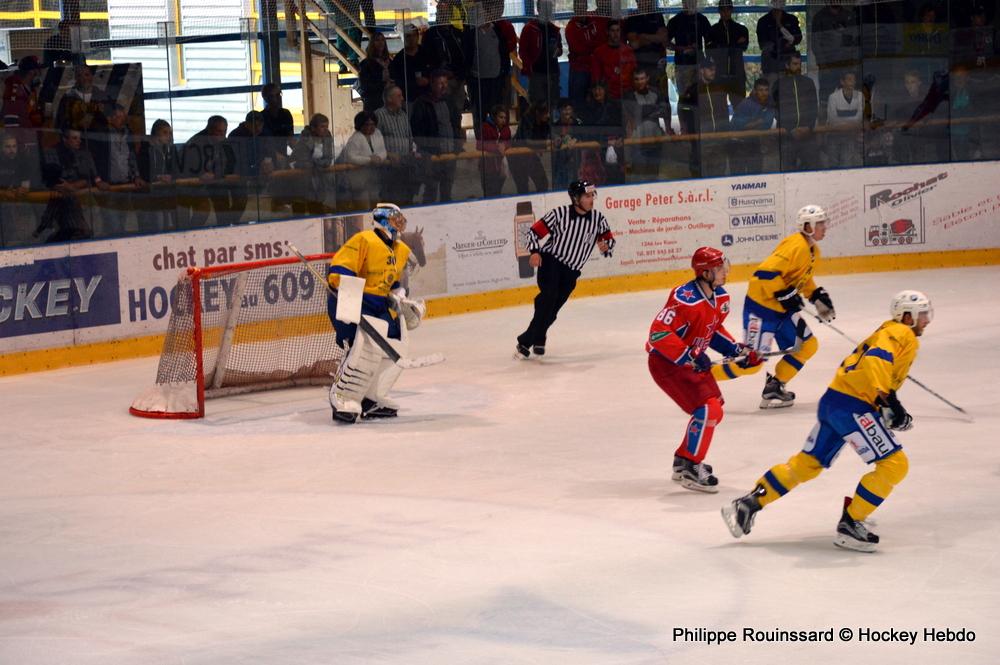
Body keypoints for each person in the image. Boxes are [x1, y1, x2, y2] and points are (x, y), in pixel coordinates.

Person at [723, 290, 933, 552]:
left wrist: (886, 405)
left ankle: (749, 503)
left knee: (806, 464)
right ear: (906, 315)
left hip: (835, 401)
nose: (926, 320)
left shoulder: (893, 330)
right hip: (853, 407)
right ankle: (851, 522)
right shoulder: (902, 333)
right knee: (894, 465)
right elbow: (876, 360)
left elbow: (875, 368)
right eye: (922, 314)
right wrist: (889, 400)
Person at [647, 247, 763, 492]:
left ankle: (683, 460)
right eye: (719, 268)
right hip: (667, 363)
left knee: (714, 411)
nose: (725, 272)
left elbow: (713, 330)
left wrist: (737, 350)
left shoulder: (720, 298)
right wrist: (688, 354)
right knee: (707, 410)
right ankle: (690, 464)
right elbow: (658, 334)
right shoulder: (684, 298)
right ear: (705, 273)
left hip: (691, 362)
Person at [326, 203, 424, 423]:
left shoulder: (399, 249)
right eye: (394, 218)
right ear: (382, 219)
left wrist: (399, 294)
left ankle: (372, 398)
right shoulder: (364, 240)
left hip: (380, 305)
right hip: (355, 301)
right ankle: (342, 396)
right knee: (362, 350)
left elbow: (394, 282)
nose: (399, 223)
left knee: (394, 347)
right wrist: (348, 293)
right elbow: (339, 273)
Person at [735, 204, 835, 409]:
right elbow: (764, 274)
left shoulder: (813, 250)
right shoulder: (795, 246)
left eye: (825, 222)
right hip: (761, 307)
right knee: (751, 364)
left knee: (808, 345)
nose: (824, 227)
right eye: (820, 223)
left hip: (781, 309)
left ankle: (775, 385)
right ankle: (703, 379)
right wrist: (785, 293)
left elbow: (802, 279)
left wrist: (815, 296)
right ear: (807, 226)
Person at [515, 180, 615, 359]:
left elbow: (610, 240)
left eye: (592, 195)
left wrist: (605, 246)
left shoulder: (598, 219)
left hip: (572, 273)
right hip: (551, 263)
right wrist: (535, 252)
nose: (591, 199)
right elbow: (532, 232)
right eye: (586, 196)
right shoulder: (559, 214)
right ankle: (531, 338)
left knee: (551, 310)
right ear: (576, 199)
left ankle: (533, 338)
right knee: (550, 296)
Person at [409, 70, 461, 204]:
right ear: (432, 84)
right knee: (431, 188)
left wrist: (457, 145)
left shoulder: (450, 101)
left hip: (449, 153)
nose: (444, 86)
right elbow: (417, 129)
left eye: (445, 83)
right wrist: (428, 147)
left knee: (447, 187)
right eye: (440, 83)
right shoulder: (422, 103)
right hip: (431, 155)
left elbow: (456, 124)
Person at [771, 51, 818, 171]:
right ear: (787, 65)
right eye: (795, 64)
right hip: (787, 137)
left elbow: (814, 106)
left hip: (807, 136)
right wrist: (789, 129)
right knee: (787, 171)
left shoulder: (808, 82)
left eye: (799, 64)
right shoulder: (779, 84)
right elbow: (775, 109)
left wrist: (809, 127)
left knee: (812, 169)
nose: (798, 67)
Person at [337, 110, 387, 211]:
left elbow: (383, 151)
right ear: (360, 125)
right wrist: (369, 160)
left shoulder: (377, 133)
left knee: (377, 207)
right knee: (364, 208)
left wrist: (380, 158)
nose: (370, 127)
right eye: (366, 124)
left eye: (372, 124)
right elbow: (350, 157)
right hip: (359, 182)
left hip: (374, 179)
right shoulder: (355, 138)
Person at [519, 0, 563, 107]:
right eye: (544, 8)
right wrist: (529, 67)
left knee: (553, 103)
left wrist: (558, 51)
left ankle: (551, 123)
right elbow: (522, 51)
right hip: (537, 74)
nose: (547, 11)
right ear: (538, 9)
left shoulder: (555, 30)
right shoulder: (530, 28)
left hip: (552, 73)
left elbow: (560, 49)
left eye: (549, 8)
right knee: (537, 105)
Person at [666, 0, 713, 98]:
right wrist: (681, 48)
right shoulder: (675, 21)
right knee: (684, 99)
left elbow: (710, 42)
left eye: (693, 1)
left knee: (701, 98)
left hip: (699, 65)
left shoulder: (702, 19)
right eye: (688, 1)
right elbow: (666, 43)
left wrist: (708, 64)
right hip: (682, 66)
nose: (691, 3)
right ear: (683, 2)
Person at [708, 0, 750, 110]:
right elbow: (709, 52)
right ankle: (723, 127)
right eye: (723, 9)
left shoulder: (741, 29)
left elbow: (744, 47)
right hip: (719, 74)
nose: (726, 12)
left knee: (740, 105)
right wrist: (735, 44)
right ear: (719, 11)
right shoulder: (712, 30)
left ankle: (739, 127)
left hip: (737, 73)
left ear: (732, 10)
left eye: (728, 9)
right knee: (719, 106)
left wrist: (722, 46)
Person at [566, 0, 608, 106]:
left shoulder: (594, 21)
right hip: (579, 69)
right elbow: (579, 49)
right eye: (578, 8)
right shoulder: (570, 27)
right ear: (575, 9)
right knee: (578, 99)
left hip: (595, 68)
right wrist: (594, 47)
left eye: (582, 7)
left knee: (596, 98)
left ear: (586, 7)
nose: (581, 10)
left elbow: (602, 41)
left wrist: (593, 47)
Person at [730, 78, 776, 174]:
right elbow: (736, 125)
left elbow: (766, 124)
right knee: (738, 179)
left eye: (766, 90)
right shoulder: (745, 104)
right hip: (738, 145)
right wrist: (756, 122)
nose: (764, 93)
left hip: (754, 143)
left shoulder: (770, 104)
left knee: (756, 174)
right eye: (760, 90)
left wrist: (749, 124)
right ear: (755, 91)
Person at [824, 70, 863, 168]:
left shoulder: (860, 95)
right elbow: (833, 119)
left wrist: (844, 121)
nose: (852, 82)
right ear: (842, 82)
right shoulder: (833, 97)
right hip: (834, 136)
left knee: (847, 163)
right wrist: (850, 122)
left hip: (850, 136)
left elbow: (859, 118)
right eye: (849, 79)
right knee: (833, 164)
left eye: (854, 80)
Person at [756, 0, 802, 84]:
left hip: (788, 65)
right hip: (770, 65)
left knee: (789, 91)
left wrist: (780, 24)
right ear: (772, 2)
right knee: (771, 91)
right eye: (776, 1)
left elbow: (798, 38)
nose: (778, 3)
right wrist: (785, 43)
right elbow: (763, 44)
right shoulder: (763, 21)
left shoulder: (792, 19)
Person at [590, 20, 637, 100]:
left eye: (618, 30)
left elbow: (634, 72)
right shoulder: (599, 52)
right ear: (607, 32)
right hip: (609, 95)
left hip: (627, 94)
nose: (615, 34)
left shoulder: (628, 50)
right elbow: (596, 77)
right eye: (612, 31)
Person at [625, 0, 668, 77]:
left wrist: (643, 36)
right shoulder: (632, 17)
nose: (644, 2)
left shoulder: (657, 15)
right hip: (639, 59)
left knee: (657, 86)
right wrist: (655, 38)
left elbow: (663, 38)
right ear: (637, 1)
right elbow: (634, 44)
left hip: (657, 58)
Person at [477, 105, 511, 197]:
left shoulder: (506, 129)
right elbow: (479, 145)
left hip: (500, 167)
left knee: (497, 193)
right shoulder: (485, 127)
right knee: (489, 194)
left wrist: (504, 145)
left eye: (505, 117)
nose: (503, 120)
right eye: (501, 117)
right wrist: (496, 148)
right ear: (494, 117)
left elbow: (509, 142)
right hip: (487, 167)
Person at [358, 31, 391, 113]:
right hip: (374, 103)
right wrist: (382, 82)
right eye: (377, 40)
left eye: (382, 40)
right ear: (372, 43)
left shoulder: (389, 61)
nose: (380, 43)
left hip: (389, 100)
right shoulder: (366, 64)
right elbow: (365, 87)